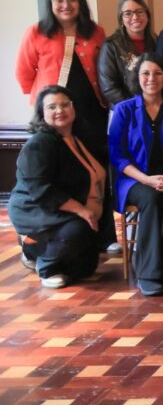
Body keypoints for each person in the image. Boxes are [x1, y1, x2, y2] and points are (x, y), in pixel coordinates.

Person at [108, 54, 163, 295]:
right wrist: (147, 180)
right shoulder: (124, 110)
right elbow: (117, 156)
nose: (151, 78)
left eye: (157, 73)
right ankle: (148, 274)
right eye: (145, 73)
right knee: (151, 199)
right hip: (135, 179)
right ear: (137, 77)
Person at [9, 87, 105, 288]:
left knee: (87, 268)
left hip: (65, 207)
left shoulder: (78, 137)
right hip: (35, 208)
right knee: (78, 229)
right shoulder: (39, 144)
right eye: (52, 107)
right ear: (42, 112)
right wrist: (82, 210)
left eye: (64, 105)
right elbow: (41, 190)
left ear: (73, 107)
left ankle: (38, 250)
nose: (60, 110)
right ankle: (45, 265)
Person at [17, 0, 107, 133]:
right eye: (59, 0)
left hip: (92, 108)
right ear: (50, 3)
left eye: (73, 0)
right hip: (54, 112)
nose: (66, 5)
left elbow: (105, 68)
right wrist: (42, 98)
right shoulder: (36, 32)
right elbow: (23, 72)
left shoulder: (96, 31)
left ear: (80, 3)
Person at [98, 0, 156, 107]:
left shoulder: (157, 41)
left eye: (140, 11)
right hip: (125, 109)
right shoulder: (111, 46)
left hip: (154, 107)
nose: (135, 17)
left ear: (147, 15)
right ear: (121, 19)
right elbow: (109, 88)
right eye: (128, 13)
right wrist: (136, 105)